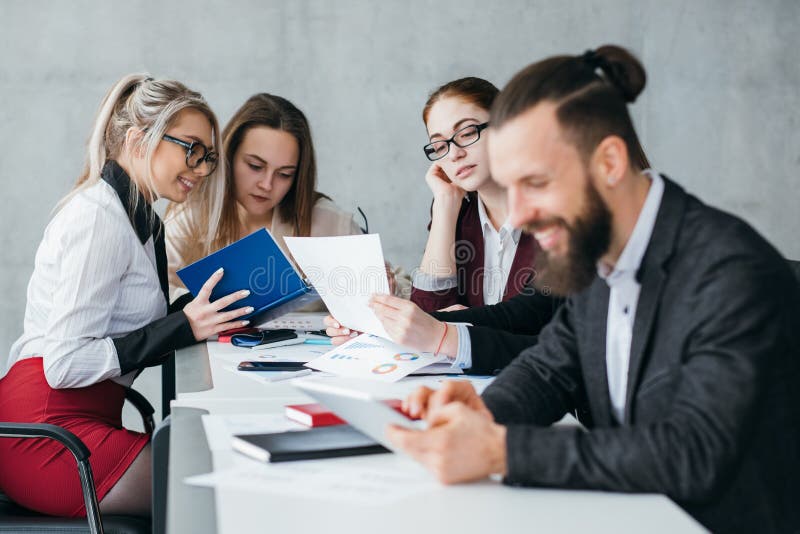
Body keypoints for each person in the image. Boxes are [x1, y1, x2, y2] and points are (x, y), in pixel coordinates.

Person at [385, 46, 800, 534]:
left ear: (608, 162)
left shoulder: (732, 272)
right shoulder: (600, 255)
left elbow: (693, 453)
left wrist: (500, 449)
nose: (517, 215)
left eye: (536, 182)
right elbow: (551, 370)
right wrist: (482, 412)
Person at [0, 74, 251, 517]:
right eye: (191, 149)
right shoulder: (99, 220)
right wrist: (182, 325)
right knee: (222, 487)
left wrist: (199, 314)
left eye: (208, 156)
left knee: (227, 472)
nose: (201, 167)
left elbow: (131, 332)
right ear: (139, 139)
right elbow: (65, 364)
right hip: (48, 434)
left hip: (81, 422)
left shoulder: (140, 221)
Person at [166, 93, 400, 305]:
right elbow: (159, 292)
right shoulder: (192, 213)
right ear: (228, 157)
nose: (267, 185)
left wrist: (386, 287)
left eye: (284, 174)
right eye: (255, 166)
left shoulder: (328, 221)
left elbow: (399, 289)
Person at [410, 77, 540, 312]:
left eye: (467, 133)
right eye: (439, 146)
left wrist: (469, 325)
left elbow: (542, 323)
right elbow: (428, 315)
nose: (454, 154)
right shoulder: (457, 210)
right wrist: (443, 207)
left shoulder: (554, 203)